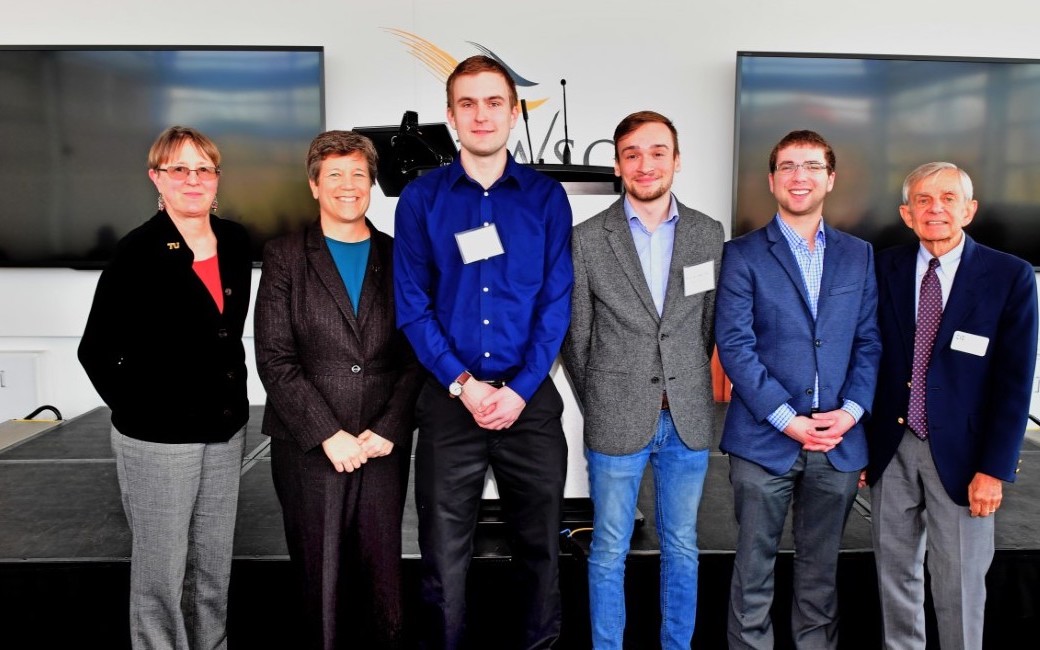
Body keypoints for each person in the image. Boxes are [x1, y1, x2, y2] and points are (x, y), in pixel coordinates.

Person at [393, 55, 573, 650]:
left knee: (542, 553)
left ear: (514, 113)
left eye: (494, 102)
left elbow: (556, 303)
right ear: (449, 116)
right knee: (443, 559)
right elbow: (413, 307)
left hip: (530, 404)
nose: (481, 114)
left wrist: (519, 390)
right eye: (466, 103)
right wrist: (464, 384)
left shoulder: (547, 199)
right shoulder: (420, 200)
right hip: (450, 403)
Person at [78, 126, 251, 649]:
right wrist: (147, 412)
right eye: (179, 169)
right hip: (158, 438)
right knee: (161, 575)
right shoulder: (138, 251)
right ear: (157, 177)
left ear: (217, 179)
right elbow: (97, 350)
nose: (193, 180)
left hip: (224, 431)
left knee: (212, 568)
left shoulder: (237, 242)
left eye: (204, 169)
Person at [254, 130, 423, 650]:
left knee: (382, 582)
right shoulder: (284, 255)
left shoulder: (401, 256)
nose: (347, 186)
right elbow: (275, 358)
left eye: (358, 174)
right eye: (334, 175)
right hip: (310, 447)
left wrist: (389, 428)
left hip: (381, 447)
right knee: (319, 582)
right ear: (313, 185)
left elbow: (417, 354)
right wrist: (328, 433)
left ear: (372, 183)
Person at [561, 110, 722, 650]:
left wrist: (677, 384)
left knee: (683, 544)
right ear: (617, 165)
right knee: (608, 547)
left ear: (677, 161)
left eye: (657, 152)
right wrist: (605, 398)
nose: (645, 164)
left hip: (688, 416)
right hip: (614, 415)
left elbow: (705, 329)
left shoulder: (708, 233)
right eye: (632, 154)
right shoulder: (586, 239)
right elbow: (576, 339)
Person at [714, 129, 881, 649]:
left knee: (820, 575)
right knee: (753, 573)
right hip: (764, 441)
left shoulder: (859, 255)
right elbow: (736, 347)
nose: (798, 176)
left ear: (830, 179)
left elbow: (869, 341)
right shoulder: (741, 254)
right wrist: (788, 420)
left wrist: (850, 413)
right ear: (771, 180)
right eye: (787, 166)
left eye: (811, 166)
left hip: (838, 443)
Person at [866, 162, 1038, 650]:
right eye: (922, 200)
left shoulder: (1010, 275)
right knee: (895, 579)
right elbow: (866, 356)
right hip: (890, 448)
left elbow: (1014, 381)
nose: (935, 208)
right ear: (906, 213)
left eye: (947, 198)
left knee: (959, 583)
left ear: (970, 209)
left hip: (967, 458)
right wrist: (862, 444)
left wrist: (994, 469)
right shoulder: (883, 268)